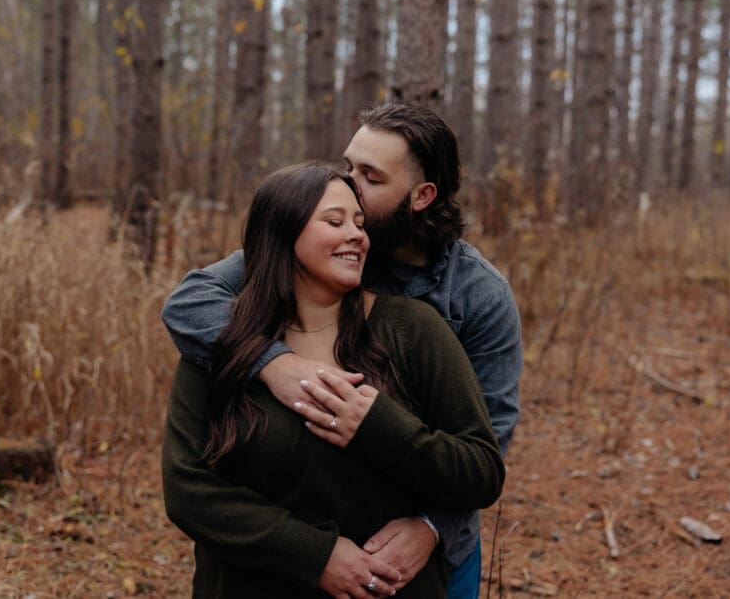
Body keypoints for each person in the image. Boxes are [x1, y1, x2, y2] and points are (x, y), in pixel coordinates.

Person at [163, 103, 522, 598]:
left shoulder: (471, 298)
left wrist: (429, 526)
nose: (349, 182)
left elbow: (485, 447)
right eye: (349, 166)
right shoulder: (297, 263)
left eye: (370, 178)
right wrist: (274, 365)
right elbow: (188, 300)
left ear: (421, 196)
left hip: (426, 547)